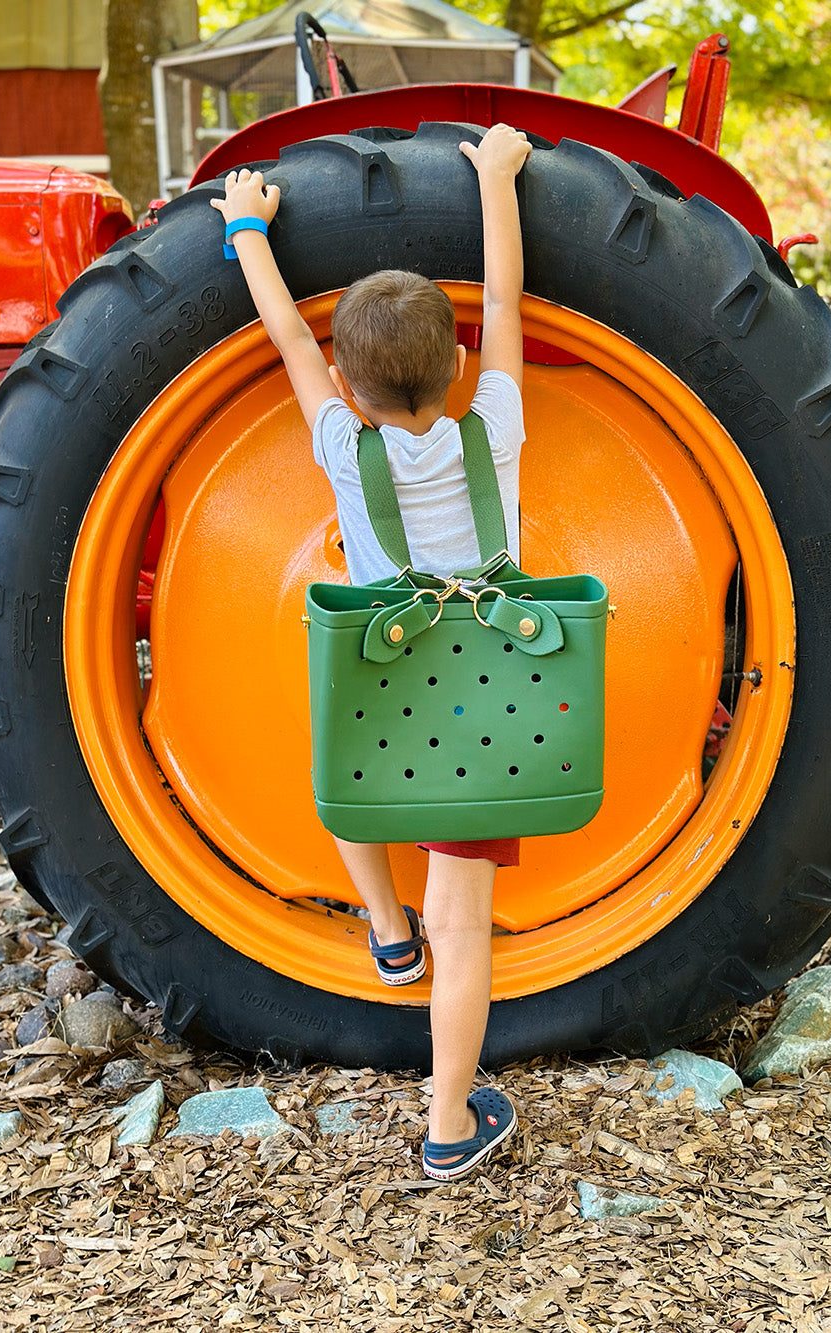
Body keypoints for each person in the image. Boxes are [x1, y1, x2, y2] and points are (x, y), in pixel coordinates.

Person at [210, 123, 531, 1181]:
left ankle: (385, 929)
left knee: (342, 773)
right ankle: (448, 1118)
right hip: (482, 702)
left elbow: (288, 343)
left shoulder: (340, 442)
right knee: (467, 929)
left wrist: (250, 230)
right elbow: (504, 297)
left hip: (375, 685)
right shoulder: (499, 423)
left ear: (349, 388)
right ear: (460, 368)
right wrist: (492, 177)